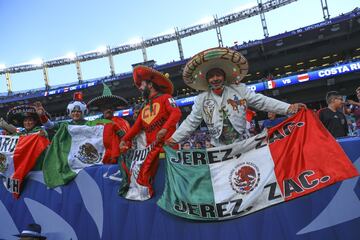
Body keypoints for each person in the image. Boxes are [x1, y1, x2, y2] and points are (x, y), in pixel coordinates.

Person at [167, 47, 305, 147]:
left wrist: (289, 108)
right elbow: (191, 122)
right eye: (211, 76)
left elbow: (261, 101)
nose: (215, 79)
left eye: (218, 75)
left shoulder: (239, 89)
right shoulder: (201, 99)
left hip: (244, 144)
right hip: (218, 149)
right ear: (207, 80)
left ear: (224, 76)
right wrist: (174, 139)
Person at [119, 65, 181, 197]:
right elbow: (136, 127)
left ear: (150, 85)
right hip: (151, 153)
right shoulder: (145, 107)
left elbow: (176, 113)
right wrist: (124, 139)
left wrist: (164, 129)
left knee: (169, 191)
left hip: (168, 153)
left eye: (142, 85)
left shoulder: (166, 98)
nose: (140, 89)